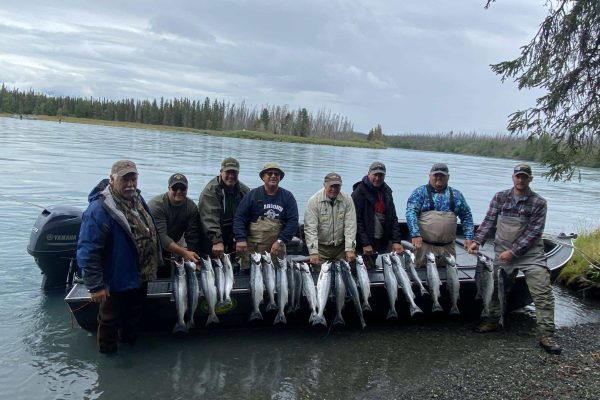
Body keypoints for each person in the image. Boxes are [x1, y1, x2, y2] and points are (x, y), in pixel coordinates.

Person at [468, 163, 561, 355]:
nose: (520, 179)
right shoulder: (500, 197)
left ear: (530, 179)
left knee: (543, 293)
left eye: (524, 177)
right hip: (502, 252)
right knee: (495, 289)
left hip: (530, 254)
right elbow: (489, 221)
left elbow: (534, 232)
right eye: (518, 176)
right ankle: (492, 321)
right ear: (513, 177)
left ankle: (546, 335)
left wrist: (513, 252)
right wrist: (478, 240)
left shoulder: (538, 202)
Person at [77, 160, 161, 353]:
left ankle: (129, 345)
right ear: (112, 180)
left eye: (134, 178)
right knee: (109, 319)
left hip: (140, 274)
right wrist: (96, 285)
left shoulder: (136, 199)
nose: (130, 184)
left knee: (134, 315)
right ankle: (108, 361)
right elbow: (87, 250)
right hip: (115, 277)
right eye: (125, 179)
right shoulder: (99, 209)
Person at [405, 162, 474, 266]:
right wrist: (415, 234)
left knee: (448, 279)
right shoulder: (419, 192)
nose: (439, 177)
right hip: (424, 246)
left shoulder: (456, 195)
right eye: (436, 175)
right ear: (430, 176)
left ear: (448, 177)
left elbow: (467, 216)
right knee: (423, 276)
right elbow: (411, 213)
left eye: (442, 175)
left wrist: (469, 237)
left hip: (448, 248)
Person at [233, 162, 299, 267]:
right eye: (269, 173)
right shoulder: (252, 195)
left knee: (275, 277)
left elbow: (293, 222)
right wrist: (240, 239)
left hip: (276, 248)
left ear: (280, 178)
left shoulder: (288, 197)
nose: (273, 176)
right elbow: (239, 218)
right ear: (263, 177)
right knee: (248, 275)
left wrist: (280, 241)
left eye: (276, 174)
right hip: (252, 248)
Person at [351, 161, 403, 268]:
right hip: (364, 244)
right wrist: (365, 243)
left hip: (382, 241)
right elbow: (356, 221)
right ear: (369, 173)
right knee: (366, 271)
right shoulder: (358, 193)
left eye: (381, 175)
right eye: (375, 175)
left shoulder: (387, 192)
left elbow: (393, 218)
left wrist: (396, 241)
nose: (378, 178)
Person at [148, 173, 201, 273]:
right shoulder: (156, 205)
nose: (179, 191)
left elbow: (192, 235)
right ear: (169, 188)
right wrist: (184, 253)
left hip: (172, 247)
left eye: (182, 188)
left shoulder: (191, 207)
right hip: (152, 246)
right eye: (175, 188)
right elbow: (162, 238)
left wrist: (191, 256)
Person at [198, 157, 250, 259]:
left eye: (234, 173)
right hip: (210, 233)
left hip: (232, 232)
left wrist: (241, 237)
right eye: (228, 172)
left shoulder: (244, 191)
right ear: (221, 172)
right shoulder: (210, 192)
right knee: (212, 261)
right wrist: (217, 241)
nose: (231, 176)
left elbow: (249, 215)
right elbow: (210, 219)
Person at [304, 172, 357, 268]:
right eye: (331, 186)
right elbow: (310, 229)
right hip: (321, 248)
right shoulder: (314, 201)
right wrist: (313, 252)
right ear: (324, 185)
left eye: (337, 186)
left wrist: (350, 248)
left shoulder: (347, 200)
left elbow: (351, 225)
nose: (334, 189)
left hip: (341, 248)